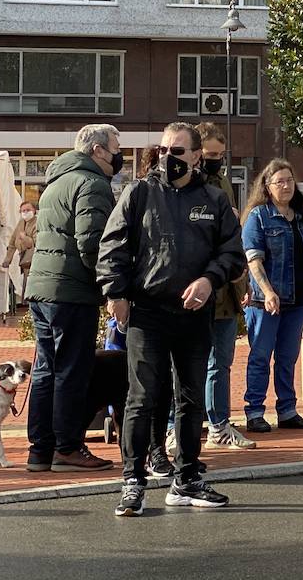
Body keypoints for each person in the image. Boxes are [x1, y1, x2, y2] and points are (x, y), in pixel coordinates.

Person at [99, 121, 244, 517]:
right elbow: (112, 246)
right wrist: (116, 293)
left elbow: (232, 254)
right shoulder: (139, 193)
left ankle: (187, 479)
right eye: (163, 150)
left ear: (197, 156)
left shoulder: (213, 200)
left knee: (191, 398)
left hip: (194, 316)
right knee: (142, 398)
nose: (168, 157)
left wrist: (208, 280)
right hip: (147, 313)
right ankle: (133, 481)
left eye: (177, 151)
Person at [24, 123, 122, 473]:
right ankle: (67, 446)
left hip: (42, 289)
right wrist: (112, 285)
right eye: (114, 147)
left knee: (45, 370)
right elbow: (93, 243)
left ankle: (40, 449)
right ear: (97, 150)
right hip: (72, 291)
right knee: (71, 371)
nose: (118, 155)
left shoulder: (56, 182)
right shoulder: (92, 183)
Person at [241, 158, 303, 434]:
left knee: (287, 357)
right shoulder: (258, 216)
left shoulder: (301, 217)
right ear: (267, 186)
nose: (286, 186)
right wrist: (268, 291)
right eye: (279, 181)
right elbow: (254, 260)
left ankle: (287, 410)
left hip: (296, 300)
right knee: (260, 356)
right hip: (266, 303)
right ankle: (255, 411)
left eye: (289, 181)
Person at [195, 122, 256, 451]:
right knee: (188, 361)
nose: (215, 160)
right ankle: (179, 425)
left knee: (221, 361)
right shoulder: (186, 185)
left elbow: (232, 238)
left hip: (225, 288)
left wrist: (240, 280)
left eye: (220, 154)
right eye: (209, 155)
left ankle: (218, 425)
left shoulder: (223, 182)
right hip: (197, 285)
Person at [2, 198, 37, 310]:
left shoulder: (37, 223)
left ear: (34, 211)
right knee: (24, 282)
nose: (25, 213)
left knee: (31, 283)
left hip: (34, 259)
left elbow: (35, 242)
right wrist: (8, 259)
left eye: (28, 210)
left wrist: (24, 237)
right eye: (23, 210)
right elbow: (12, 242)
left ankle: (31, 307)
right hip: (23, 259)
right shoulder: (20, 223)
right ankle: (27, 305)